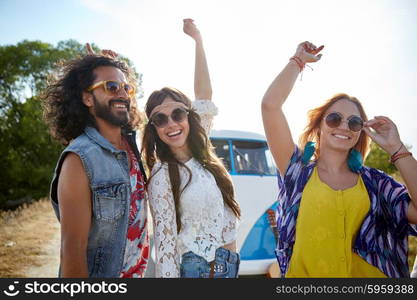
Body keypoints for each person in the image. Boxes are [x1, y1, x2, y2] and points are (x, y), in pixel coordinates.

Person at [261, 41, 417, 278]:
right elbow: (270, 106)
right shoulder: (296, 171)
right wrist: (298, 61)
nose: (344, 126)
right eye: (334, 118)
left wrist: (397, 148)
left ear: (360, 132)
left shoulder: (376, 183)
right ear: (319, 126)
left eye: (354, 122)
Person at [142, 19, 241, 278]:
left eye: (177, 114)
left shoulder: (201, 150)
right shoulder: (162, 177)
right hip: (198, 271)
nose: (171, 124)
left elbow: (204, 96)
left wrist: (198, 40)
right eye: (160, 119)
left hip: (228, 266)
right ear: (154, 128)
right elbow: (164, 247)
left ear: (189, 117)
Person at [43, 47, 149, 277]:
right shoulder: (79, 159)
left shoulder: (131, 146)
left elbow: (123, 106)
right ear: (87, 98)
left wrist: (113, 65)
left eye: (126, 88)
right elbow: (72, 252)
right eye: (111, 87)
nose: (122, 93)